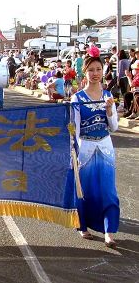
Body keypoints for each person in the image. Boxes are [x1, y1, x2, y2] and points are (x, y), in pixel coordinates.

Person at [70, 45, 119, 249]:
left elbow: (114, 127)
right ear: (85, 72)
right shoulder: (77, 99)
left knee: (108, 191)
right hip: (87, 149)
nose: (95, 74)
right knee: (85, 191)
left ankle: (109, 231)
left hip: (106, 148)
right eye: (91, 70)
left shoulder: (108, 96)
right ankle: (83, 226)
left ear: (103, 71)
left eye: (99, 69)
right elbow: (76, 130)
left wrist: (109, 111)